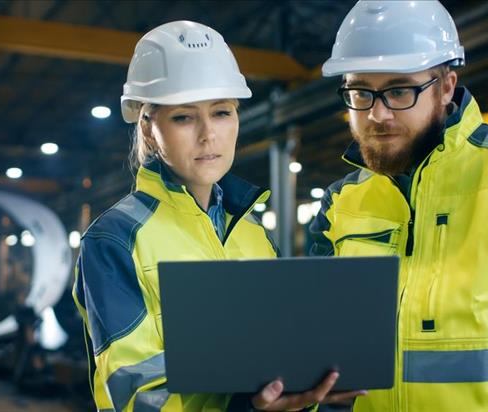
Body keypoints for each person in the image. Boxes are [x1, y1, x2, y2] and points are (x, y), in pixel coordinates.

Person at [310, 1, 488, 411]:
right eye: (360, 92)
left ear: (446, 86)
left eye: (399, 90)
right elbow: (326, 361)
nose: (377, 113)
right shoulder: (341, 203)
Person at [73, 21, 361, 412]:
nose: (209, 135)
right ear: (148, 127)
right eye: (183, 118)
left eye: (222, 112)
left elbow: (278, 359)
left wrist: (310, 391)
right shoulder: (115, 240)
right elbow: (136, 397)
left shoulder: (252, 232)